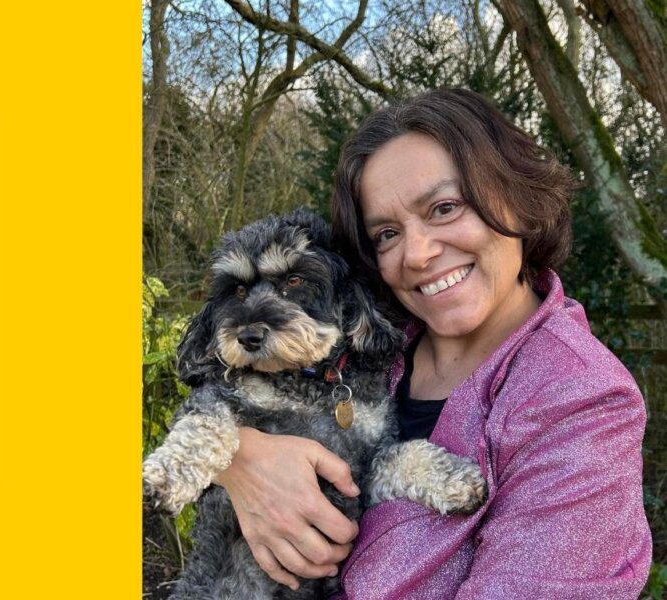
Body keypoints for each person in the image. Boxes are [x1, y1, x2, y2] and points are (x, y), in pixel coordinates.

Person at [212, 89, 652, 598]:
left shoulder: (582, 401)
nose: (417, 255)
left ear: (514, 196)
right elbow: (218, 396)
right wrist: (240, 458)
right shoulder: (362, 341)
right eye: (386, 234)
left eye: (444, 208)